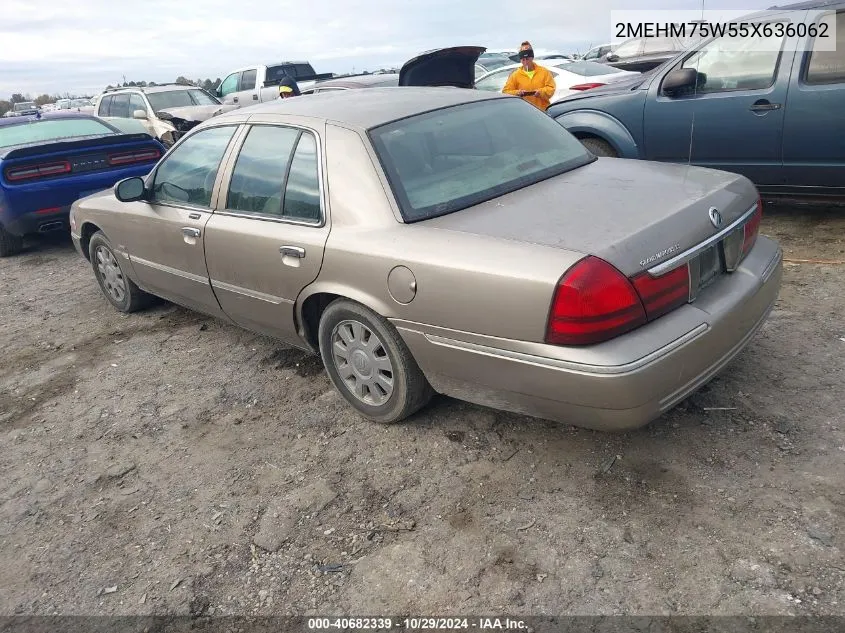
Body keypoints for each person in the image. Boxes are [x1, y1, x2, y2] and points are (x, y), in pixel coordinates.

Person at [502, 41, 556, 111]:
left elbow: (551, 88)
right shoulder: (515, 75)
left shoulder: (544, 71)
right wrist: (517, 92)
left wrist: (541, 92)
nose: (525, 62)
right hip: (525, 112)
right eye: (523, 60)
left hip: (543, 111)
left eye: (527, 59)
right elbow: (506, 92)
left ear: (532, 58)